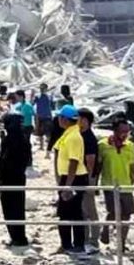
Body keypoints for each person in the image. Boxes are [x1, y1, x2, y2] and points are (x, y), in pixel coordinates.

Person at [96, 118, 134, 249]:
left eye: (127, 131)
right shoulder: (102, 145)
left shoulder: (130, 146)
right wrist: (95, 185)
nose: (125, 134)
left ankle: (121, 242)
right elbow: (98, 166)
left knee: (127, 213)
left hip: (126, 184)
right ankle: (105, 230)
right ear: (115, 130)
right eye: (122, 131)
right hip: (109, 184)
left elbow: (133, 167)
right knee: (114, 211)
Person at [53, 104, 88, 254]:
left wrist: (68, 186)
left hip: (74, 178)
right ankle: (67, 244)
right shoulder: (68, 133)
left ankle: (76, 245)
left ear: (65, 119)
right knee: (66, 212)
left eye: (60, 117)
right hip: (69, 177)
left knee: (72, 213)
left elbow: (74, 161)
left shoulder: (74, 136)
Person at [0, 113, 30, 247]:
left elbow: (3, 161)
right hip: (19, 177)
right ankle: (19, 236)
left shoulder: (9, 140)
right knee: (18, 208)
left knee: (9, 208)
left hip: (8, 178)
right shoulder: (24, 139)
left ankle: (16, 237)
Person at [78, 108, 100, 252]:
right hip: (83, 176)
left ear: (86, 121)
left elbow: (91, 160)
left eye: (79, 119)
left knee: (90, 210)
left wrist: (89, 178)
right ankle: (84, 239)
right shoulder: (81, 135)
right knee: (82, 210)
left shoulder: (89, 138)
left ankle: (93, 240)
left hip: (88, 177)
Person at [34, 84, 54, 150]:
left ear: (46, 89)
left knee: (48, 133)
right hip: (40, 116)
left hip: (47, 117)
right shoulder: (38, 96)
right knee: (40, 133)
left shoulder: (49, 97)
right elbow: (32, 103)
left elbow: (52, 106)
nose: (42, 89)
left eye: (43, 88)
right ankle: (41, 146)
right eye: (41, 88)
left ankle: (49, 147)